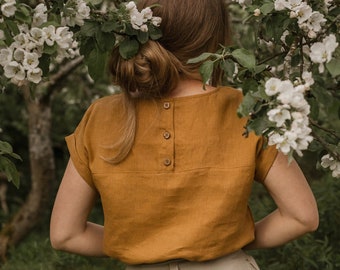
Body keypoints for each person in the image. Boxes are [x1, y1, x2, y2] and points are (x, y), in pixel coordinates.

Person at [50, 0, 319, 269]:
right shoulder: (246, 109)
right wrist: (227, 240)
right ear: (215, 35)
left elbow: (66, 235)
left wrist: (140, 244)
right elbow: (302, 217)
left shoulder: (100, 116)